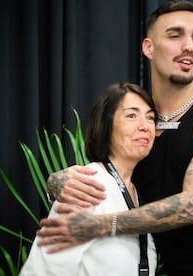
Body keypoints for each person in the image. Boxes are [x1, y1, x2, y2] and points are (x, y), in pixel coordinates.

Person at [38, 1, 193, 275]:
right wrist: (55, 182)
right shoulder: (141, 126)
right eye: (175, 35)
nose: (189, 45)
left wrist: (103, 225)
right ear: (148, 47)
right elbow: (112, 181)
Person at [19, 82, 158, 276]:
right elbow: (42, 270)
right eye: (131, 115)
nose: (145, 126)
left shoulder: (139, 190)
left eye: (150, 117)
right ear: (106, 126)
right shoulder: (85, 184)